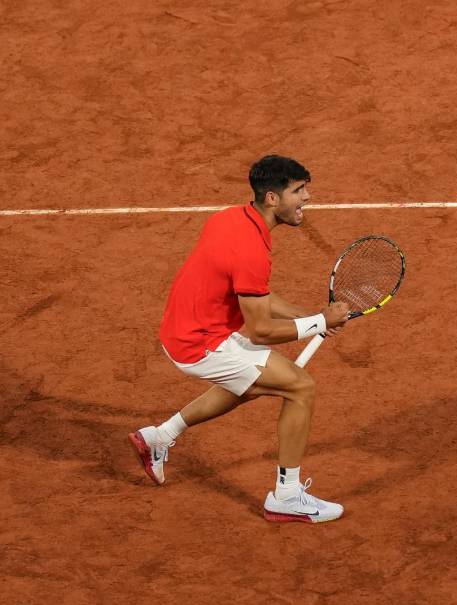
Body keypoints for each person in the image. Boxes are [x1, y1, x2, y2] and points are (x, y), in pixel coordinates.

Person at [129, 155, 351, 524]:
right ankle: (286, 497)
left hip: (188, 327)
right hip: (199, 342)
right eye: (298, 191)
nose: (307, 198)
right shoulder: (250, 251)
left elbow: (255, 296)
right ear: (271, 198)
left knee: (250, 382)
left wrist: (308, 316)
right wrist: (316, 323)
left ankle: (160, 436)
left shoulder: (231, 218)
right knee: (300, 387)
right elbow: (261, 330)